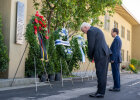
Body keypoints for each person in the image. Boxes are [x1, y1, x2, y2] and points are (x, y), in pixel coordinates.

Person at [81, 22, 111, 98]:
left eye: (83, 31)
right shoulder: (96, 29)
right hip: (104, 53)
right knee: (103, 74)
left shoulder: (90, 31)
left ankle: (100, 93)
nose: (84, 33)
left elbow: (91, 45)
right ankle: (100, 91)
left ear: (85, 27)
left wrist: (90, 56)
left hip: (100, 54)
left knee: (100, 73)